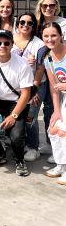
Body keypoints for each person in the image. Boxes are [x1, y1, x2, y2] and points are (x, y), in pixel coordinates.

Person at [0, 29, 33, 177]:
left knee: (16, 136)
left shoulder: (22, 64)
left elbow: (26, 94)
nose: (2, 45)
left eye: (6, 43)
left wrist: (13, 116)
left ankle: (19, 160)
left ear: (12, 45)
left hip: (17, 102)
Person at [11, 12, 45, 162]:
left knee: (30, 117)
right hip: (14, 86)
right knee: (17, 115)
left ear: (33, 26)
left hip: (34, 84)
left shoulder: (39, 44)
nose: (25, 25)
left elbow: (40, 69)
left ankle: (33, 147)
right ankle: (22, 143)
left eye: (29, 23)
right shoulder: (9, 39)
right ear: (17, 23)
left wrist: (33, 89)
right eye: (22, 22)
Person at [42, 22, 66, 184]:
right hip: (64, 99)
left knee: (64, 132)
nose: (50, 39)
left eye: (53, 35)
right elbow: (53, 86)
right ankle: (61, 164)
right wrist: (56, 111)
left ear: (61, 36)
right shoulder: (48, 58)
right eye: (46, 36)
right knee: (54, 129)